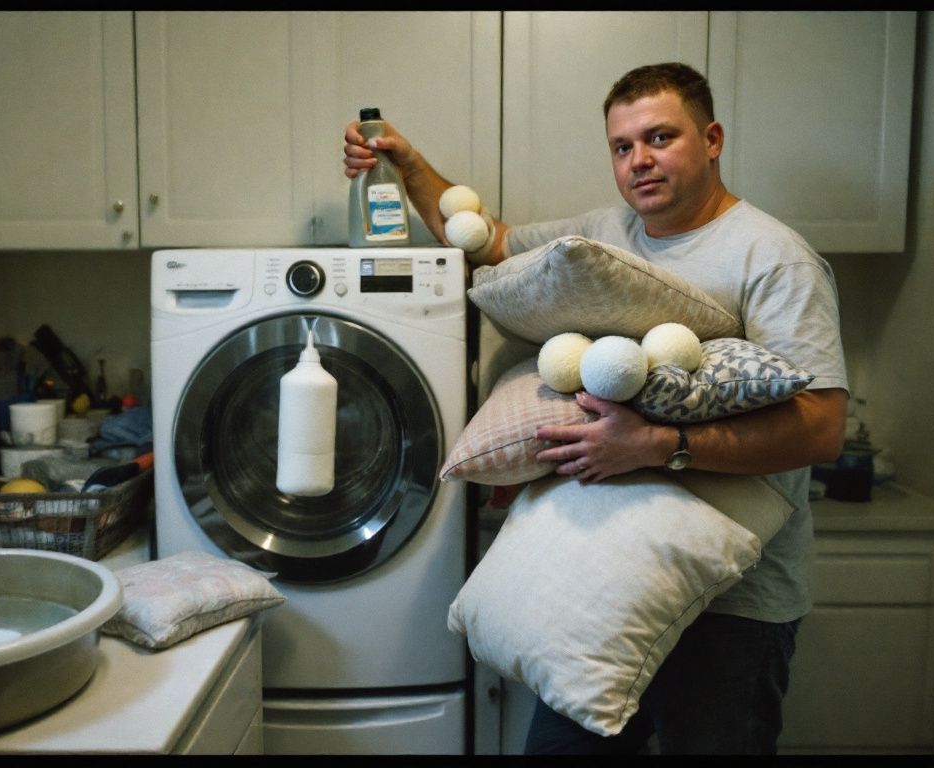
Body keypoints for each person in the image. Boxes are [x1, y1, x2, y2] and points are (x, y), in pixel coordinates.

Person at [343, 62, 848, 755]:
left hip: (736, 603)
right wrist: (408, 164)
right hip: (608, 581)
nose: (639, 160)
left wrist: (659, 444)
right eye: (621, 146)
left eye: (660, 137)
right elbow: (482, 238)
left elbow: (823, 429)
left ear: (712, 139)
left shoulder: (773, 259)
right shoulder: (603, 235)